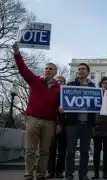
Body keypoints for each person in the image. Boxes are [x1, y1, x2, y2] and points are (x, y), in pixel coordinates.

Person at [13, 43, 61, 180]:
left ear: (55, 72)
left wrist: (59, 120)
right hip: (33, 119)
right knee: (30, 150)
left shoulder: (60, 89)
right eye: (46, 68)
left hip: (50, 122)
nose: (48, 70)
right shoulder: (35, 81)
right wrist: (17, 54)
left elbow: (62, 106)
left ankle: (40, 175)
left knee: (45, 151)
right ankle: (28, 174)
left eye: (51, 69)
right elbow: (23, 69)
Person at [64, 63, 96, 180]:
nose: (81, 71)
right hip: (73, 123)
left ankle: (83, 174)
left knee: (84, 151)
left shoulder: (93, 87)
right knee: (70, 150)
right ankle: (69, 174)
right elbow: (64, 101)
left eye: (83, 69)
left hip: (87, 124)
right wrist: (62, 107)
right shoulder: (70, 85)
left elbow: (96, 105)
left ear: (88, 72)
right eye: (79, 69)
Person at [47, 76, 67, 179]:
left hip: (63, 125)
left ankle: (60, 171)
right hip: (50, 123)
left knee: (62, 150)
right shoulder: (49, 93)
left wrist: (61, 124)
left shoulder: (67, 94)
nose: (59, 82)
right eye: (57, 81)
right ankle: (50, 171)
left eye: (61, 81)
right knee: (51, 150)